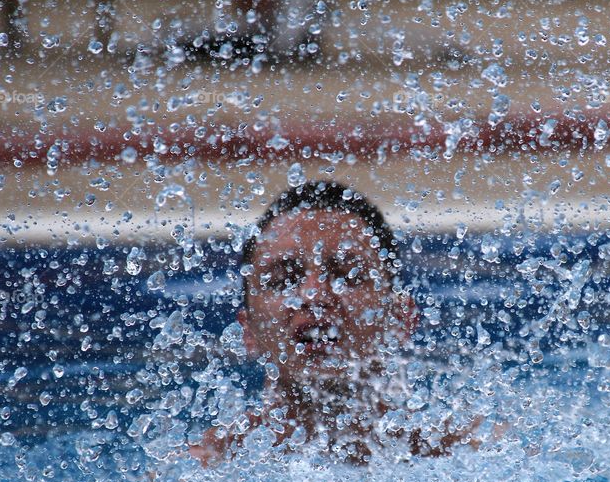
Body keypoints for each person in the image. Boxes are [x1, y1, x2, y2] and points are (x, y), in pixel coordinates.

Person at [190, 181, 482, 466]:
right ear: (248, 331)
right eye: (283, 280)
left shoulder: (469, 454)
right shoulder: (207, 467)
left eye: (347, 275)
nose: (314, 295)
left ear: (399, 320)